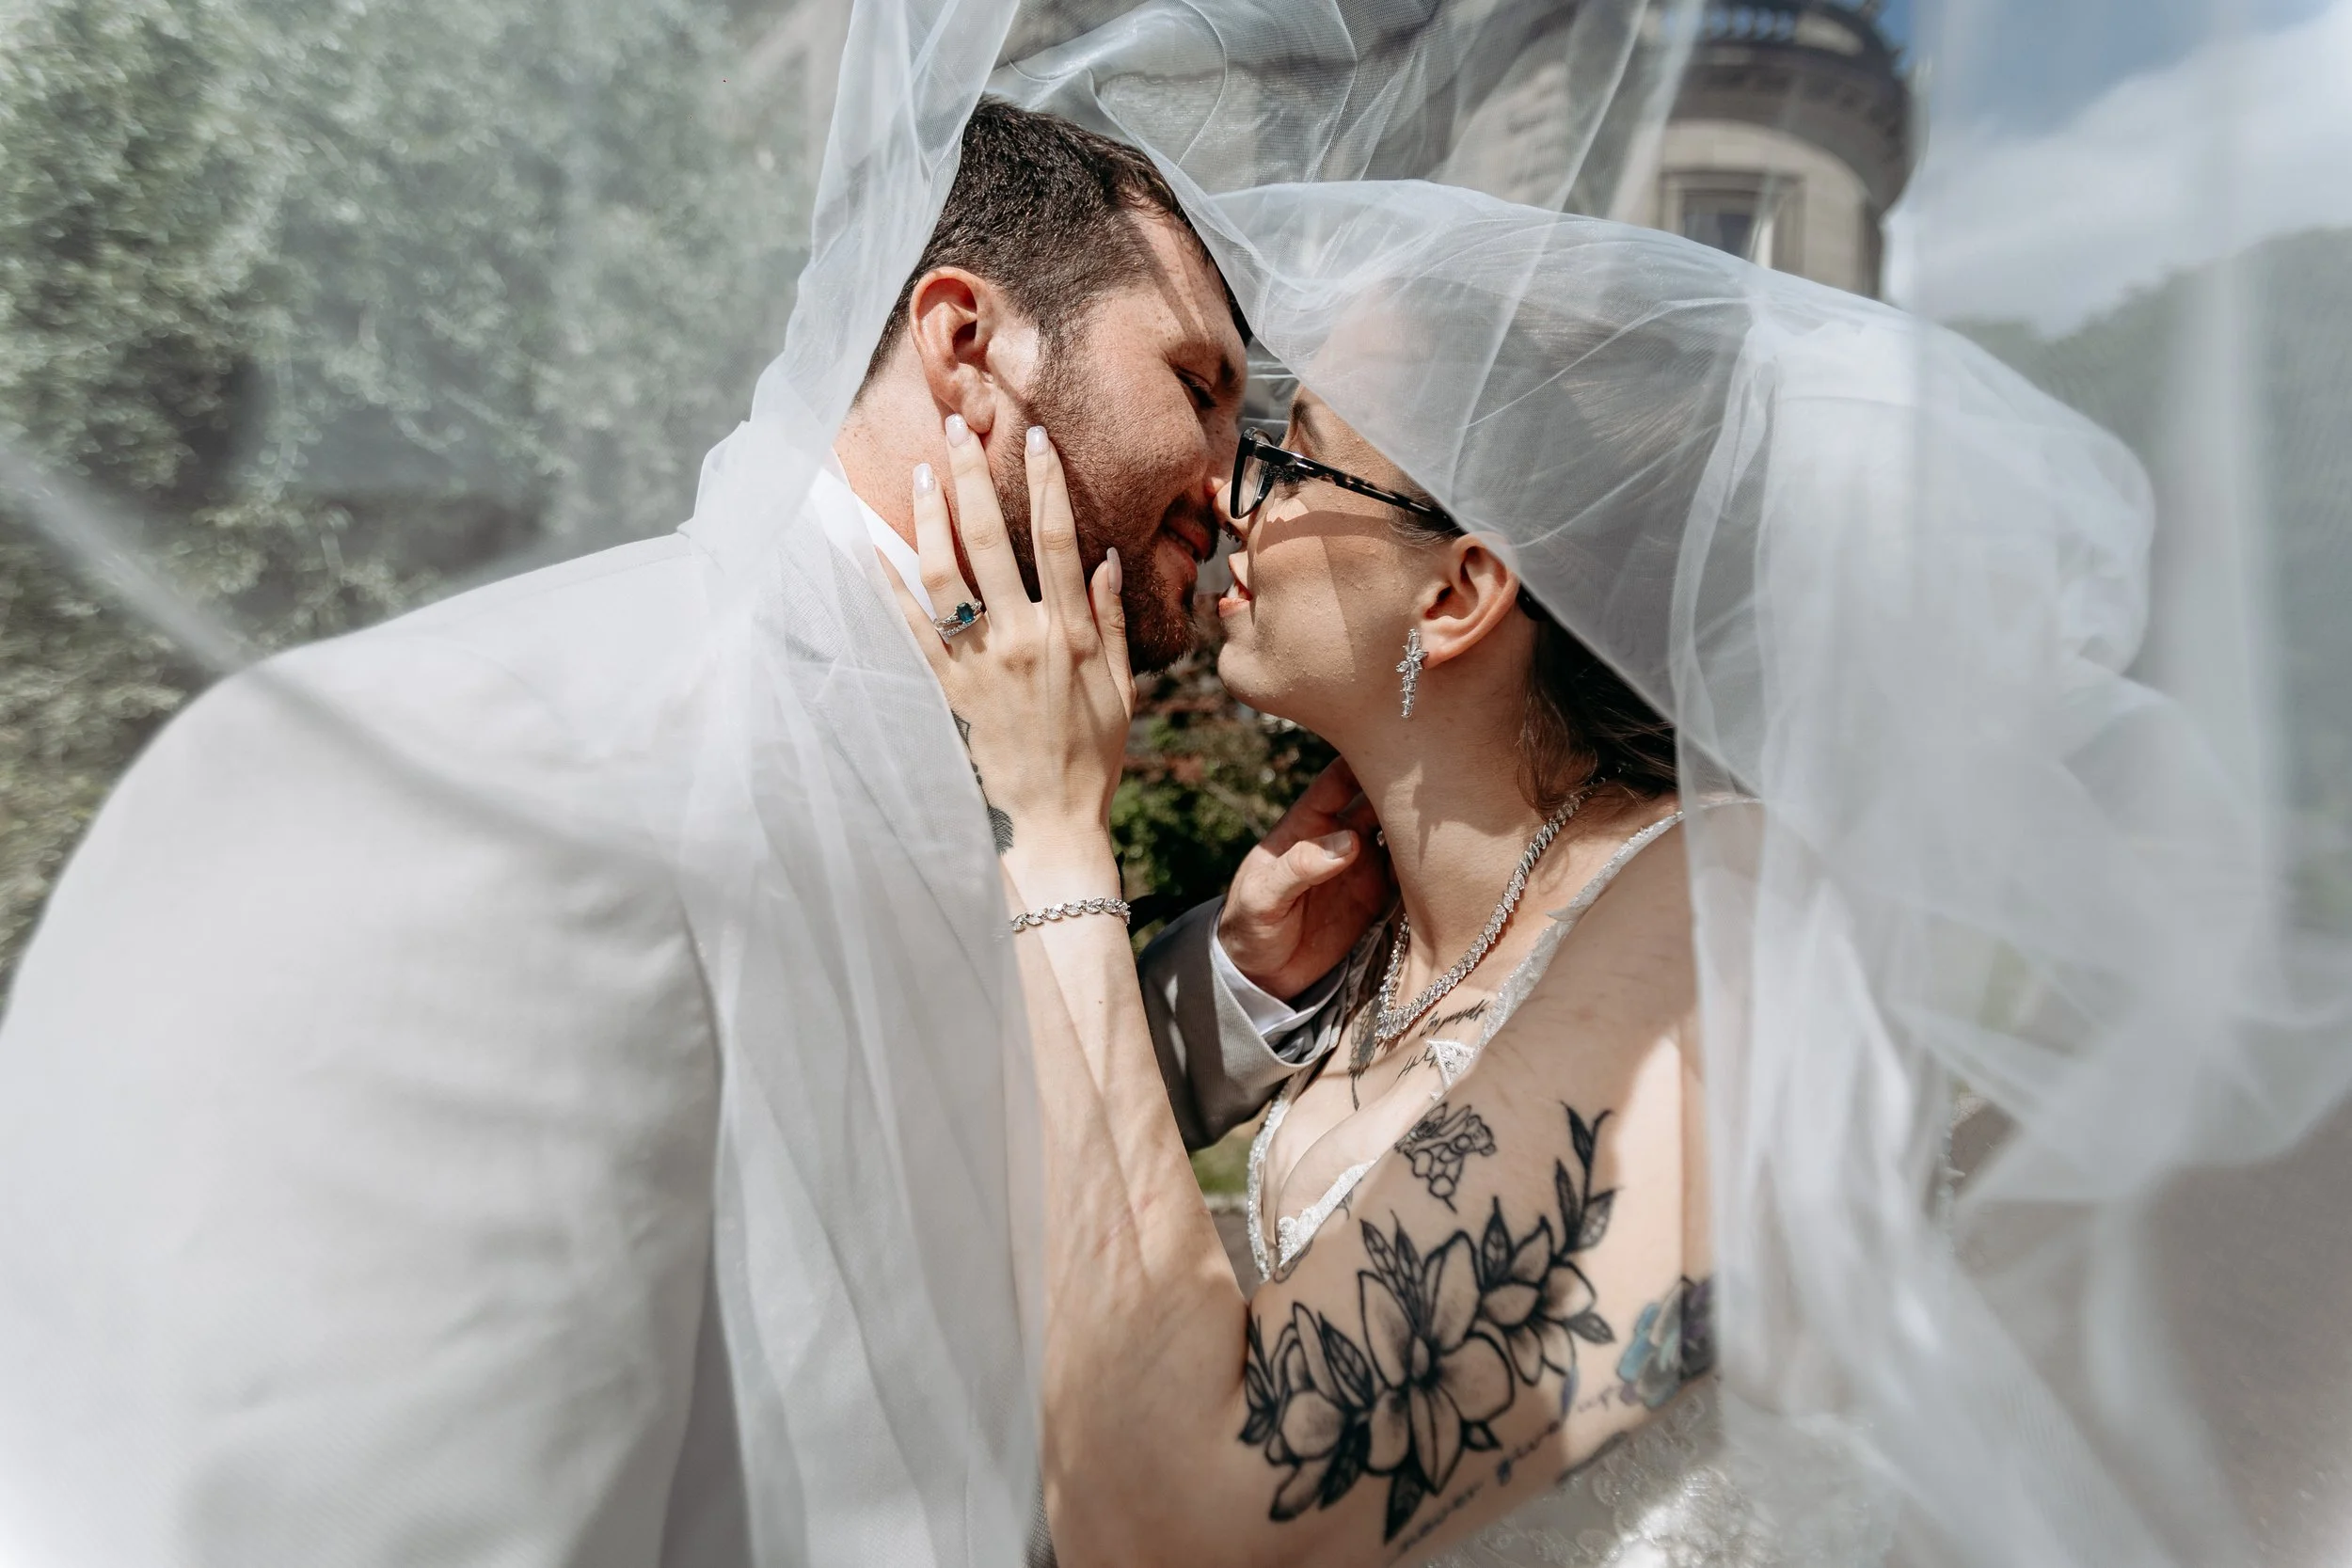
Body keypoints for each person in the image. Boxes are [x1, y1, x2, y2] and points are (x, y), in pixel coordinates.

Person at [0, 99, 1318, 1568]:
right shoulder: (481, 777)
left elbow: (921, 1135)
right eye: (1198, 380)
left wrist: (1238, 987)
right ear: (965, 345)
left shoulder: (968, 720)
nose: (1231, 471)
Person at [893, 378, 1749, 1563]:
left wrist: (1047, 831)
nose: (1229, 496)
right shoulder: (1378, 936)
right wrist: (1237, 977)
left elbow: (1178, 1524)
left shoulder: (1717, 923)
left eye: (1292, 463)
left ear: (1458, 593)